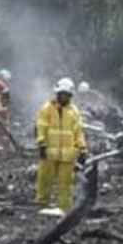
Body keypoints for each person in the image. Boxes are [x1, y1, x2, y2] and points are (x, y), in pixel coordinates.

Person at [35, 78, 87, 212]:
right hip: (49, 152)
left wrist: (82, 149)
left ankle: (64, 209)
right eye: (61, 94)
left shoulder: (74, 111)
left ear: (70, 96)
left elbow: (78, 131)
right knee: (44, 180)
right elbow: (41, 127)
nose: (63, 97)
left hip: (68, 155)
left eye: (66, 94)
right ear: (57, 94)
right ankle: (42, 203)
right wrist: (41, 143)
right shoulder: (47, 108)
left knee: (66, 184)